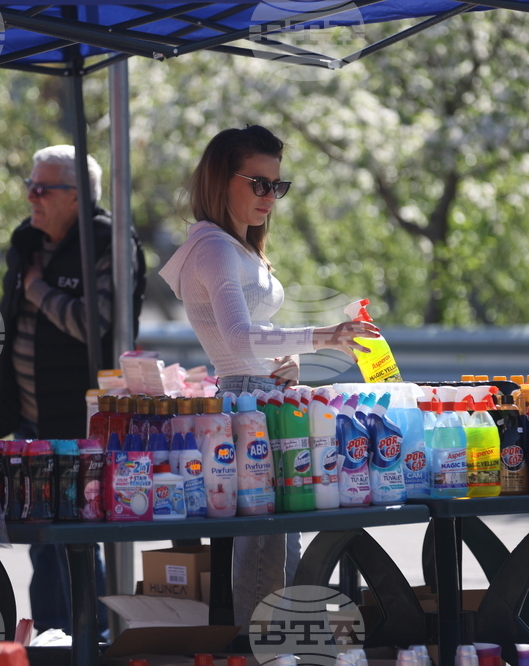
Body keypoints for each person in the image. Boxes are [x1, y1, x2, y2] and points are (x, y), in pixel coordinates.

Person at [159, 125, 379, 631]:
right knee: (265, 544)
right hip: (244, 403)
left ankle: (285, 646)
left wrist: (291, 361)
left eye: (277, 186)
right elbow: (237, 340)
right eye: (258, 183)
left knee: (283, 539)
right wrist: (322, 336)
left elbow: (248, 338)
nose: (270, 197)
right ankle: (266, 651)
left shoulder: (233, 245)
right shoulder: (213, 247)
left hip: (262, 397)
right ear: (221, 180)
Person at [0, 144, 145, 634]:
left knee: (77, 538)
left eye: (44, 188)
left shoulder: (107, 242)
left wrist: (38, 289)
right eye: (29, 185)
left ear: (76, 197)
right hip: (29, 418)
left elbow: (94, 324)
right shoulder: (28, 242)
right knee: (41, 537)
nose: (32, 196)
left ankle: (91, 639)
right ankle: (53, 641)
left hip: (80, 421)